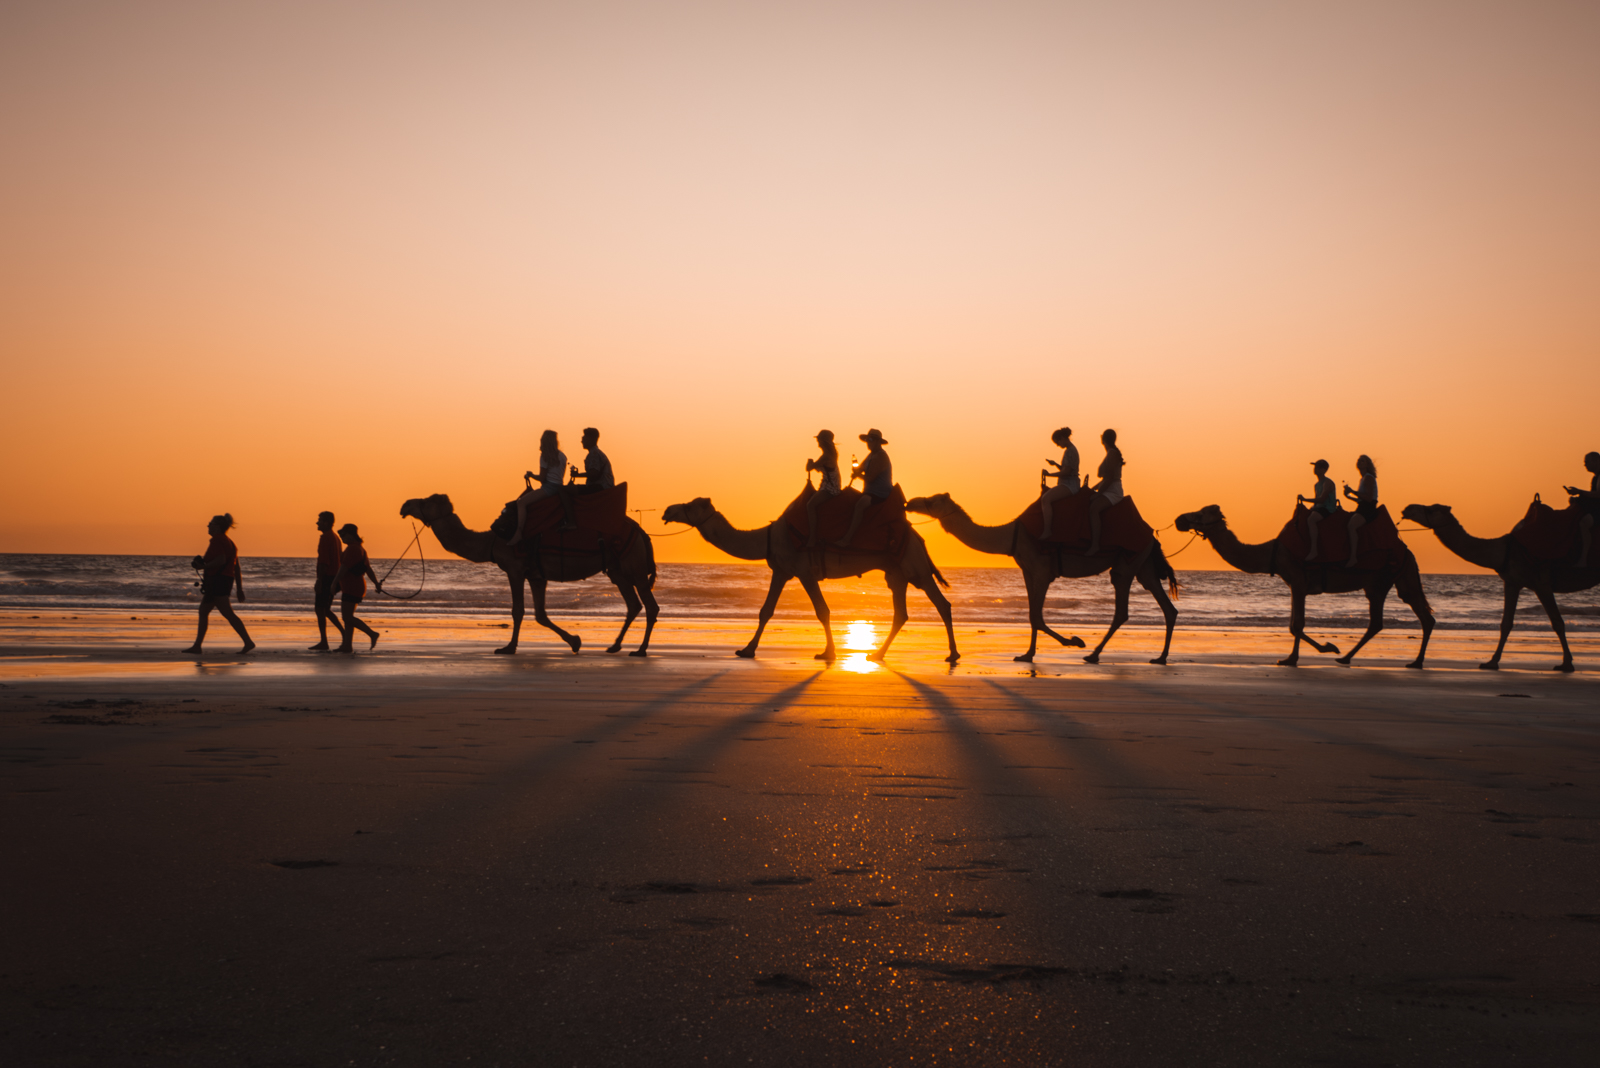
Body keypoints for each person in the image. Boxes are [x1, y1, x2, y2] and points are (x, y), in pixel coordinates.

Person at [183, 514, 255, 654]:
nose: (208, 525)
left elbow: (221, 560)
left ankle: (248, 642)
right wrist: (239, 588)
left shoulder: (217, 540)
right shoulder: (230, 543)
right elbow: (236, 567)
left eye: (210, 523)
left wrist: (203, 567)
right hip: (224, 581)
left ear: (217, 526)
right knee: (206, 611)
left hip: (218, 581)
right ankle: (197, 645)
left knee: (225, 613)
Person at [835, 428, 892, 548]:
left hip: (880, 494)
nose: (868, 442)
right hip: (869, 492)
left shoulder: (881, 457)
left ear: (878, 442)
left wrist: (858, 475)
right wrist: (857, 471)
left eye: (870, 440)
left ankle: (847, 539)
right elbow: (861, 468)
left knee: (860, 504)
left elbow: (870, 477)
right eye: (867, 440)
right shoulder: (871, 455)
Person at [509, 430, 567, 545]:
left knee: (521, 503)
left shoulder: (544, 456)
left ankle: (519, 533)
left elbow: (542, 478)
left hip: (548, 488)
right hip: (559, 488)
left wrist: (530, 475)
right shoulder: (562, 456)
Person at [333, 523, 381, 652]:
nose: (342, 538)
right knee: (348, 618)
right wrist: (376, 583)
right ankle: (347, 645)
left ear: (350, 535)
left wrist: (334, 583)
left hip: (352, 587)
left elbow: (343, 569)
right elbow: (369, 569)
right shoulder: (360, 549)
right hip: (356, 586)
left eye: (343, 535)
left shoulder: (352, 549)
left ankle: (372, 633)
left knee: (347, 617)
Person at [309, 511, 346, 650]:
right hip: (334, 577)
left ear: (326, 522)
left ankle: (324, 641)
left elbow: (324, 562)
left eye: (320, 520)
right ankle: (343, 634)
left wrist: (319, 580)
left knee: (320, 609)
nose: (317, 523)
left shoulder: (326, 538)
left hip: (328, 578)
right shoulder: (335, 537)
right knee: (325, 609)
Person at [1084, 429, 1124, 556]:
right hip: (1107, 487)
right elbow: (1104, 479)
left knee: (1093, 509)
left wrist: (1099, 493)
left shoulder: (1112, 454)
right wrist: (1091, 489)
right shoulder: (1110, 453)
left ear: (1103, 438)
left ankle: (1095, 545)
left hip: (1113, 491)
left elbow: (1110, 478)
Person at [1038, 427, 1080, 538]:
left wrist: (1049, 475)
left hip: (1069, 485)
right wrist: (1056, 464)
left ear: (1061, 438)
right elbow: (1066, 468)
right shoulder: (1070, 450)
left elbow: (1067, 472)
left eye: (1057, 442)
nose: (1058, 445)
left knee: (1045, 499)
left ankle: (1047, 531)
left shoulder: (1070, 451)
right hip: (1068, 483)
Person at [804, 429, 841, 549]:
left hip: (830, 489)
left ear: (823, 441)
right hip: (826, 486)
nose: (817, 442)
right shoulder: (830, 454)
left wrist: (810, 463)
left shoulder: (826, 456)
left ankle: (812, 537)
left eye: (819, 439)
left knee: (810, 505)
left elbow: (809, 468)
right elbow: (819, 469)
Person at [1296, 459, 1338, 561]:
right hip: (1319, 508)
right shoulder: (1316, 484)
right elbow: (1316, 502)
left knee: (1311, 519)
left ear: (1324, 470)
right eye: (1315, 467)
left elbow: (1322, 499)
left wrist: (1305, 499)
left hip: (1328, 509)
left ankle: (1314, 550)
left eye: (1318, 467)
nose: (1315, 469)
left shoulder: (1327, 483)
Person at [1342, 455, 1379, 568]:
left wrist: (1353, 491)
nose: (1359, 462)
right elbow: (1361, 499)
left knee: (1351, 526)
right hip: (1363, 506)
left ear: (1367, 464)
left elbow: (1368, 498)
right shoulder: (1363, 478)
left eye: (1362, 461)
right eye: (1358, 460)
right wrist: (1350, 497)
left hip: (1368, 509)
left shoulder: (1368, 478)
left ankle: (1353, 557)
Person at [1565, 451, 1600, 568]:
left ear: (1597, 461)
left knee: (1584, 522)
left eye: (1587, 462)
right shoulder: (1595, 477)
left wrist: (1579, 492)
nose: (1585, 465)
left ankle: (1583, 560)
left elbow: (1598, 495)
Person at [569, 427, 615, 495]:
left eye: (584, 438)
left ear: (590, 439)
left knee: (565, 490)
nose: (582, 441)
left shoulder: (594, 454)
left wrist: (577, 475)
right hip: (601, 486)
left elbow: (593, 474)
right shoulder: (595, 453)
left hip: (599, 487)